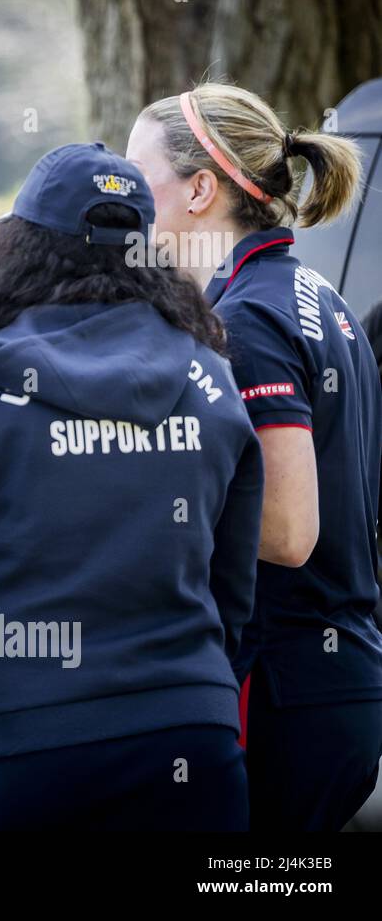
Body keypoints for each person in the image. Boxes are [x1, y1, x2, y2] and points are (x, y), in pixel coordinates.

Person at [0, 143, 264, 832]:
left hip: (24, 748)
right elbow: (235, 590)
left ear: (18, 248)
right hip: (188, 740)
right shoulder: (210, 379)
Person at [127, 83, 382, 831]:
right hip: (330, 684)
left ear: (200, 189)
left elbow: (288, 531)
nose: (126, 199)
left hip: (282, 689)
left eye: (139, 178)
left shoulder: (246, 318)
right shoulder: (311, 292)